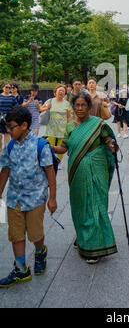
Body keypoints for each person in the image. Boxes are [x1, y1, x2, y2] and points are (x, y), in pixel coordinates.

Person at [52, 93, 117, 264]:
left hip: (96, 168)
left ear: (89, 107)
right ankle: (83, 236)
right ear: (72, 107)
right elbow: (63, 148)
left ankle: (95, 247)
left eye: (83, 105)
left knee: (95, 203)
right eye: (77, 105)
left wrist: (111, 145)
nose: (80, 108)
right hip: (76, 171)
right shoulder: (69, 127)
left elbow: (108, 140)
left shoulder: (97, 124)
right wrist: (49, 146)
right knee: (80, 204)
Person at [0, 106, 57, 288]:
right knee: (16, 234)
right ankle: (21, 269)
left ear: (24, 125)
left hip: (36, 199)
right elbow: (5, 171)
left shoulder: (41, 146)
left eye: (11, 127)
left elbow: (50, 173)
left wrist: (52, 199)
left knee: (35, 234)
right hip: (14, 198)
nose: (8, 130)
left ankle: (40, 251)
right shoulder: (9, 146)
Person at [40, 85, 72, 160]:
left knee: (61, 146)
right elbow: (41, 109)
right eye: (59, 90)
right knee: (51, 145)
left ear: (65, 93)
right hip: (51, 128)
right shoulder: (50, 101)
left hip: (62, 129)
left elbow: (69, 117)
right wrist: (47, 107)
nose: (61, 92)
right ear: (55, 92)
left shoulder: (67, 104)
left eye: (63, 91)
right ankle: (51, 159)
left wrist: (70, 127)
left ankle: (59, 161)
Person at [0, 83, 17, 151]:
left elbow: (15, 107)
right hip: (0, 119)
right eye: (6, 87)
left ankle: (6, 153)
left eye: (9, 88)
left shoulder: (12, 97)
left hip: (8, 119)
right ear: (3, 88)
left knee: (7, 137)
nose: (8, 89)